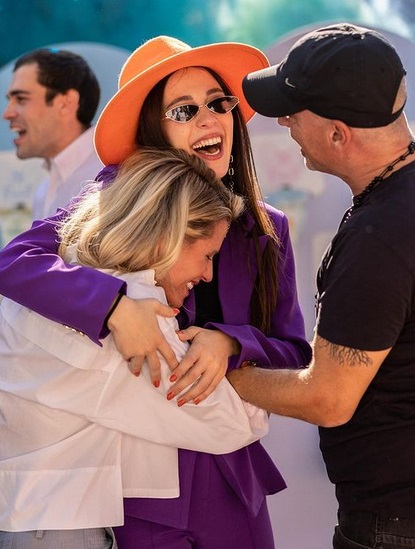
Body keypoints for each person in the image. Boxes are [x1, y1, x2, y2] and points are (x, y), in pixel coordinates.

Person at [0, 36, 312, 549]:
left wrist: (231, 342)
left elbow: (294, 350)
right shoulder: (111, 200)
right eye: (184, 110)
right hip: (132, 487)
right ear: (153, 130)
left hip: (230, 478)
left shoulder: (265, 227)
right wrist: (116, 308)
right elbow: (15, 262)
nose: (209, 119)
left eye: (219, 103)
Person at [0, 146, 269, 549]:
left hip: (30, 519)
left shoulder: (59, 279)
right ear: (170, 237)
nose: (209, 275)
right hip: (60, 530)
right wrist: (232, 359)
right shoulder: (135, 314)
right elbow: (229, 426)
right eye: (207, 255)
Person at [227, 22, 415, 548]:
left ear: (338, 133)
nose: (283, 120)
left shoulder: (382, 234)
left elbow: (329, 398)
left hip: (391, 524)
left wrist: (223, 373)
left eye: (295, 109)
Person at [3, 48, 103, 219]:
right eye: (10, 101)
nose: (7, 114)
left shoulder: (112, 177)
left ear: (66, 103)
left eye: (21, 99)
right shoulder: (43, 192)